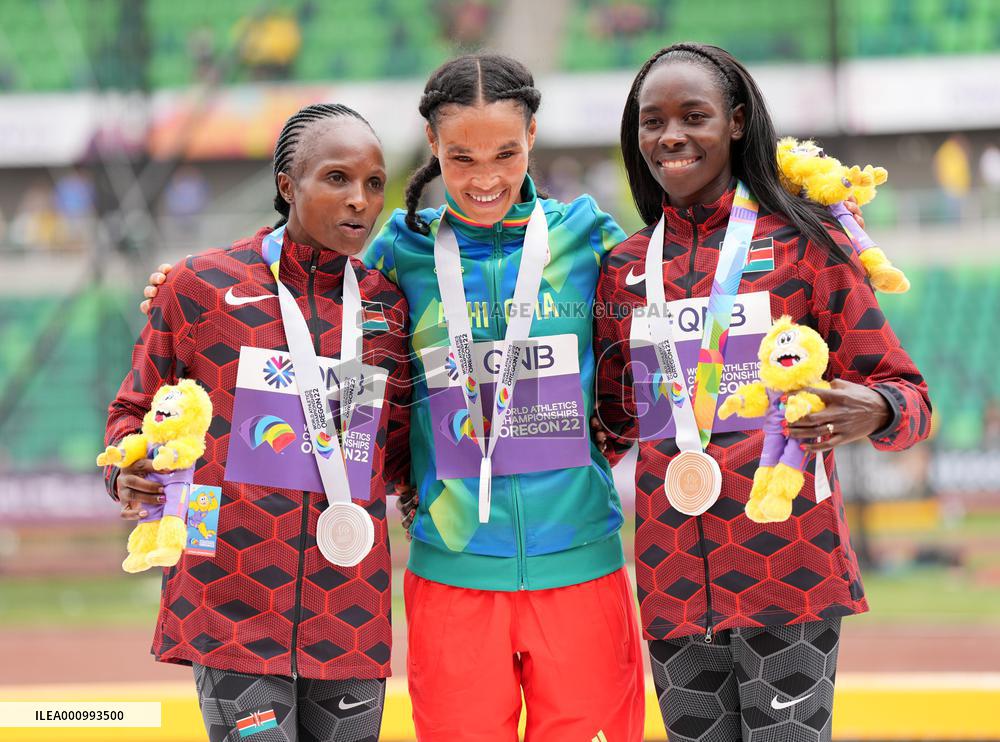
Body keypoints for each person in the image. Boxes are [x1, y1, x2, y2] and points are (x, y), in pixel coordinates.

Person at [148, 52, 645, 742]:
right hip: (452, 574)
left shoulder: (589, 237)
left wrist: (591, 458)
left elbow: (644, 352)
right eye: (462, 157)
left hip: (583, 565)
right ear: (433, 146)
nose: (486, 177)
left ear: (532, 136)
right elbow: (306, 298)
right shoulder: (395, 257)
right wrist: (186, 287)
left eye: (505, 152)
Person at [594, 43, 932, 742]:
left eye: (694, 116)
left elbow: (909, 396)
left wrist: (878, 409)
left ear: (738, 122)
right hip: (672, 577)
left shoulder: (805, 244)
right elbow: (613, 420)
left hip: (791, 575)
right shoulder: (623, 270)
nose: (671, 136)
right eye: (652, 122)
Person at [105, 103, 411, 742]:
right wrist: (127, 469)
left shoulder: (386, 305)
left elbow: (400, 450)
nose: (360, 200)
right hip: (230, 602)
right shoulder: (201, 287)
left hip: (347, 602)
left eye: (374, 183)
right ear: (286, 186)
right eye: (337, 178)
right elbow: (133, 411)